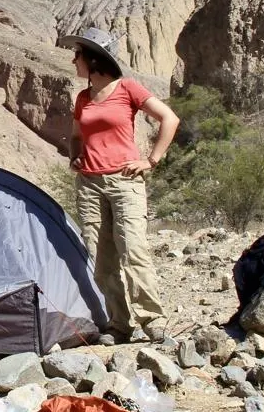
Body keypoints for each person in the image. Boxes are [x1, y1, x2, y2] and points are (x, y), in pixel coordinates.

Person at [56, 27, 180, 345]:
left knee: (133, 249)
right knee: (101, 259)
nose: (73, 60)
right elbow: (76, 135)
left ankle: (152, 320)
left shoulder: (127, 88)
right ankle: (119, 324)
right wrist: (75, 156)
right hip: (89, 185)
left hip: (125, 182)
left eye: (77, 55)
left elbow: (169, 119)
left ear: (93, 59)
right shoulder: (83, 98)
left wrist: (151, 160)